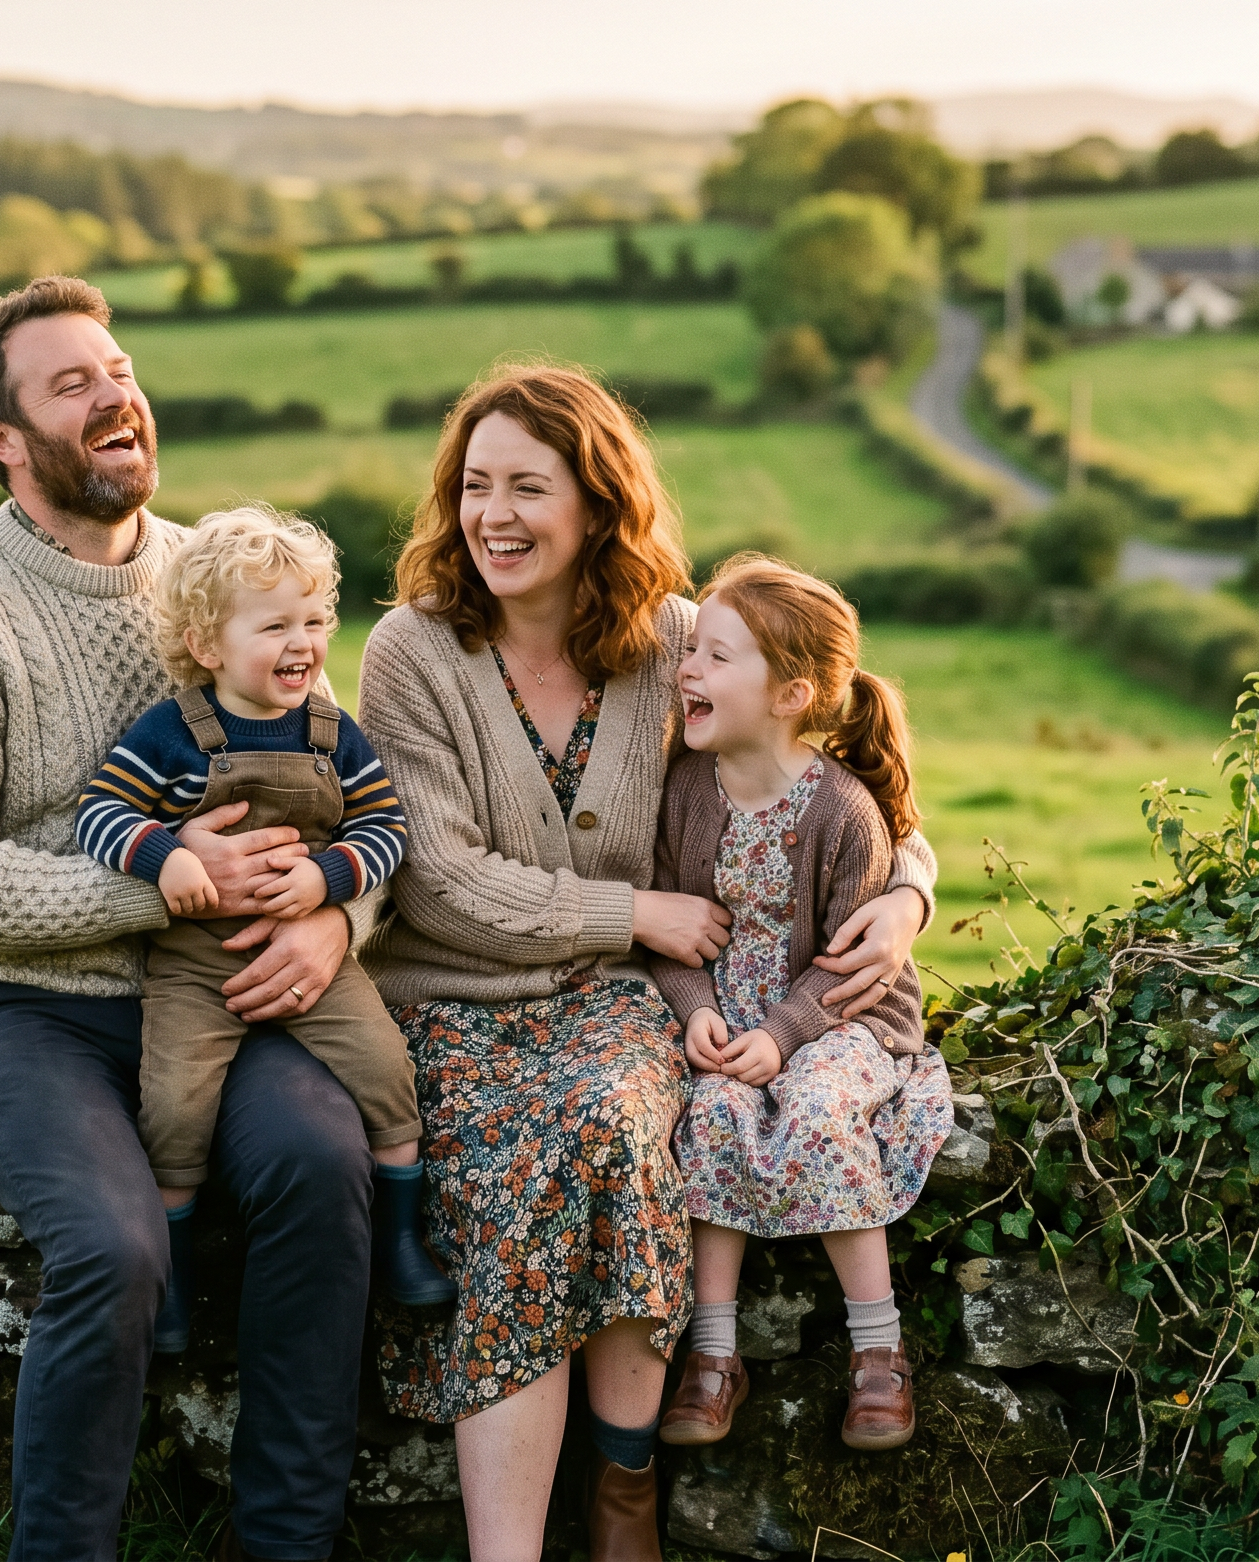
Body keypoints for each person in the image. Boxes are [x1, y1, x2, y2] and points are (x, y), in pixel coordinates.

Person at [354, 364, 940, 1562]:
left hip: (624, 1004)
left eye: (529, 485)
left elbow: (826, 765)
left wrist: (909, 891)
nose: (494, 515)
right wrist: (636, 908)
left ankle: (624, 1487)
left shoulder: (671, 640)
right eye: (474, 486)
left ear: (597, 502)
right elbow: (439, 878)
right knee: (517, 1164)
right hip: (453, 1001)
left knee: (622, 1123)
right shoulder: (412, 652)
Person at [0, 276, 382, 1562]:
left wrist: (336, 923)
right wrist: (163, 879)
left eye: (121, 369)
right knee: (111, 1240)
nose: (116, 399)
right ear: (4, 438)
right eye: (71, 384)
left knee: (323, 1168)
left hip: (216, 991)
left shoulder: (227, 584)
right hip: (15, 1012)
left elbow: (352, 793)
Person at [75, 504, 454, 1351]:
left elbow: (386, 829)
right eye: (275, 624)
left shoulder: (330, 731)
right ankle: (170, 1278)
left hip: (312, 960)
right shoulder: (172, 734)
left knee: (389, 1074)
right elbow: (99, 813)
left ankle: (400, 1240)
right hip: (192, 970)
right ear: (208, 645)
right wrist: (162, 856)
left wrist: (329, 882)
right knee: (174, 1109)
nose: (304, 643)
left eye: (315, 620)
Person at [649, 555, 953, 1455]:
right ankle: (713, 1356)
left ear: (790, 694)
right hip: (732, 1022)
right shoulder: (683, 792)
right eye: (691, 651)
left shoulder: (843, 813)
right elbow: (666, 931)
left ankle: (877, 1350)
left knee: (820, 1113)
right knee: (712, 1110)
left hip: (840, 1019)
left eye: (715, 657)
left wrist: (782, 1035)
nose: (688, 671)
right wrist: (695, 1007)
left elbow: (842, 967)